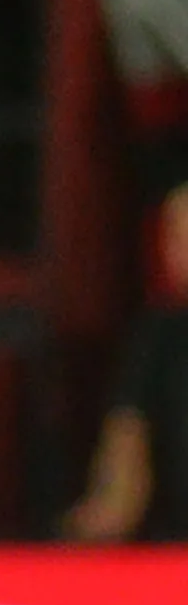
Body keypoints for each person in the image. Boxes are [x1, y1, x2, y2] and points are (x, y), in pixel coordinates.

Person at [63, 177, 188, 543]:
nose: (179, 252)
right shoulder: (159, 337)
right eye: (174, 237)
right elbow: (128, 430)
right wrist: (111, 508)